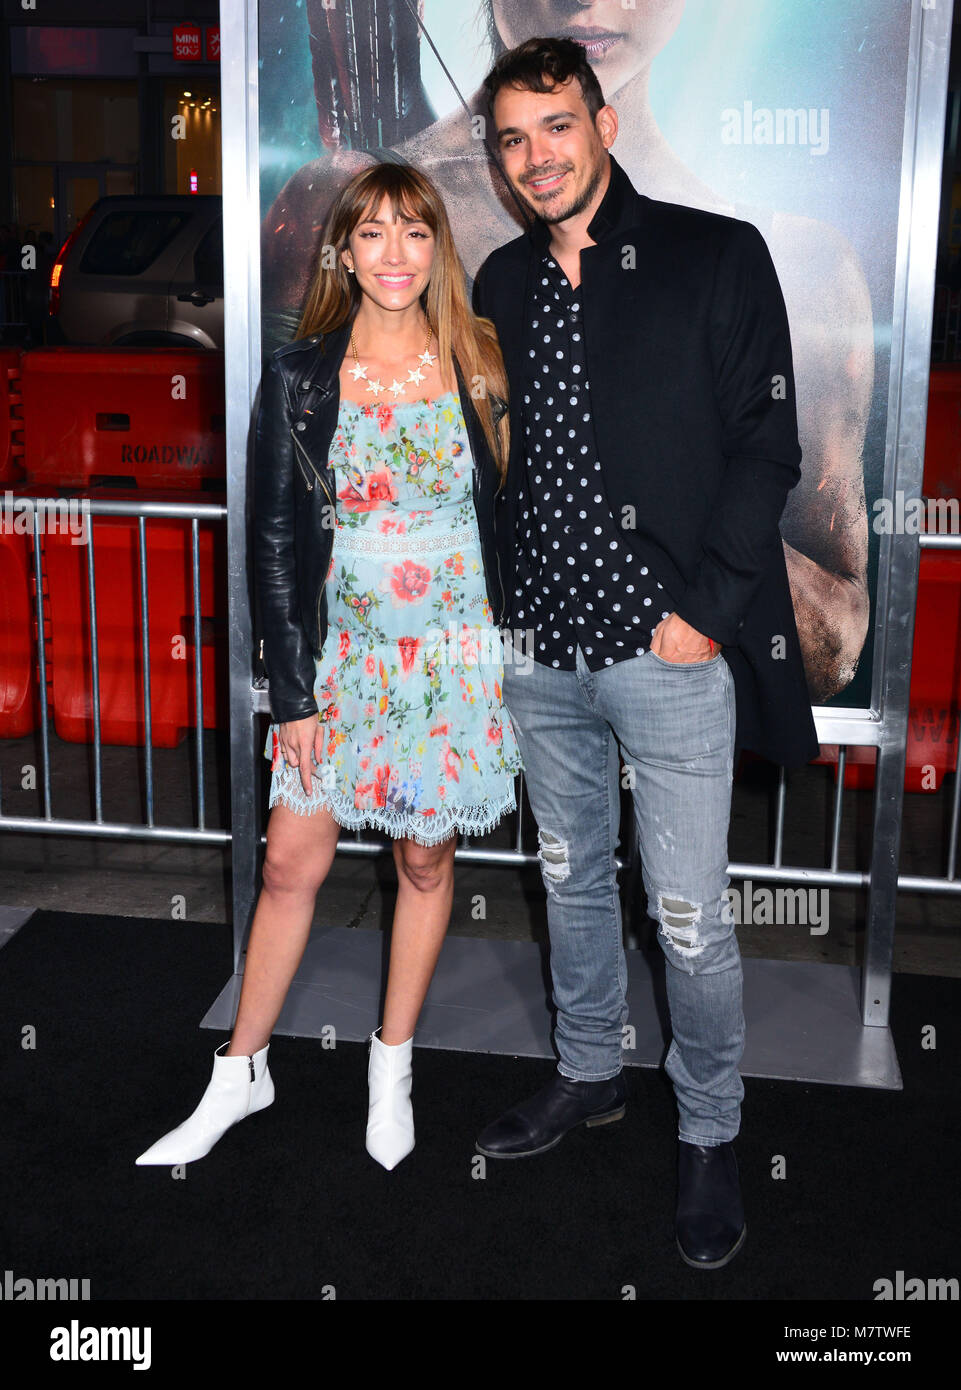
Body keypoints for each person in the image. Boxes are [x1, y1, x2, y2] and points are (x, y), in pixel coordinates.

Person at [469, 36, 820, 1269]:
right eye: (512, 139)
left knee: (685, 913)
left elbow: (767, 447)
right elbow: (492, 464)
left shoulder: (714, 255)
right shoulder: (501, 282)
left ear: (601, 124)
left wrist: (704, 614)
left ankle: (712, 1128)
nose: (535, 159)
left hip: (668, 659)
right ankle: (586, 1073)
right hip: (543, 659)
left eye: (554, 127)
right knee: (567, 881)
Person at [263, 0, 874, 703]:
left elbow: (832, 646)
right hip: (449, 690)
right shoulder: (371, 210)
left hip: (662, 688)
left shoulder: (781, 259)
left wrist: (679, 527)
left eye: (559, 126)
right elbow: (297, 497)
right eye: (518, 137)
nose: (586, 0)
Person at [135, 161, 521, 1172]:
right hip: (340, 661)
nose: (394, 255)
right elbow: (270, 539)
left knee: (425, 861)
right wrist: (292, 691)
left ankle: (390, 1066)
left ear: (438, 247)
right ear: (343, 252)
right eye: (372, 234)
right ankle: (240, 1071)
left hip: (447, 660)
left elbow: (513, 509)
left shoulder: (479, 356)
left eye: (414, 232)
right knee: (288, 863)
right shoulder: (304, 372)